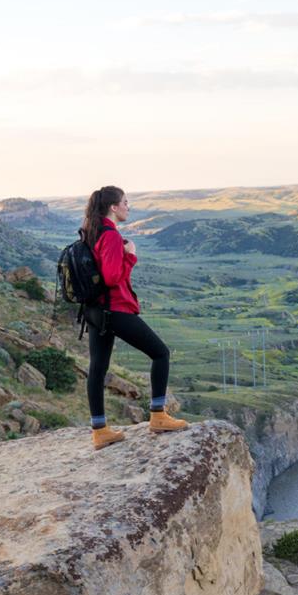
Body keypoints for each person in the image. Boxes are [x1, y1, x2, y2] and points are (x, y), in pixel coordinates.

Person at [80, 185, 187, 449]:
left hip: (93, 310)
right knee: (160, 353)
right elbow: (112, 278)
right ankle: (159, 416)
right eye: (126, 202)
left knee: (97, 368)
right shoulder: (111, 236)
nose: (129, 207)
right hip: (114, 309)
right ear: (113, 208)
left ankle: (100, 430)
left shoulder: (90, 232)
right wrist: (131, 256)